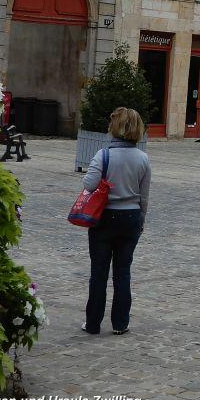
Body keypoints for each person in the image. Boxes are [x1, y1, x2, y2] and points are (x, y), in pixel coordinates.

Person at [80, 107, 151, 336]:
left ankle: (93, 323)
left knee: (98, 272)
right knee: (123, 272)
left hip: (105, 217)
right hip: (130, 217)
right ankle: (120, 323)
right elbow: (144, 196)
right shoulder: (142, 158)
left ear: (115, 127)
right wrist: (140, 221)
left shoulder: (104, 155)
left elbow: (89, 184)